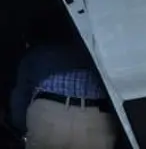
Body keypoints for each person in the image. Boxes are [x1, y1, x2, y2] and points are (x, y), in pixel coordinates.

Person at [8, 16, 117, 149]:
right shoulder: (92, 52)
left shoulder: (34, 57)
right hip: (95, 120)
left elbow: (19, 105)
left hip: (48, 118)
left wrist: (24, 128)